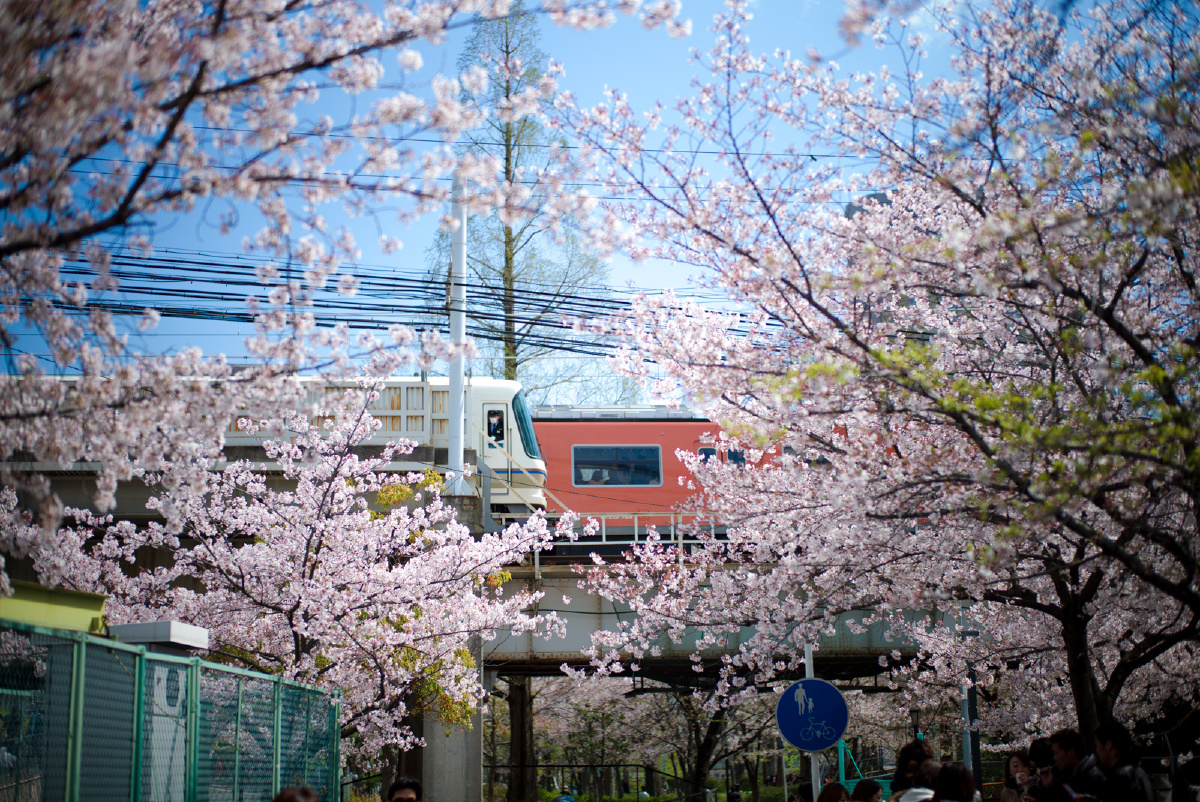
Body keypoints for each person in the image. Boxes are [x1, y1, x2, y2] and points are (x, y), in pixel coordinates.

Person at [1093, 719, 1153, 802]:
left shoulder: (1118, 780)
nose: (1097, 750)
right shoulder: (1139, 773)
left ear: (1108, 745)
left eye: (1098, 745)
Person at [1049, 729, 1105, 799]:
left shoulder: (1093, 778)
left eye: (1056, 753)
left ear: (1071, 753)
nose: (1054, 758)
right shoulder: (1067, 777)